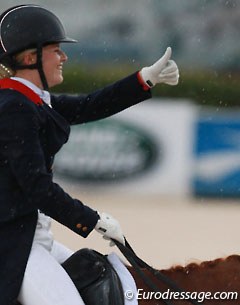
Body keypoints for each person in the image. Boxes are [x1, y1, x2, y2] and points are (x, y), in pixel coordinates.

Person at [0, 4, 179, 305]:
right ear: (30, 58)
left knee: (118, 286)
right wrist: (92, 220)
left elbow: (89, 105)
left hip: (34, 238)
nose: (63, 57)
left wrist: (145, 78)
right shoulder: (15, 109)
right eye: (56, 50)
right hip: (12, 245)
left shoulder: (31, 101)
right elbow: (37, 188)